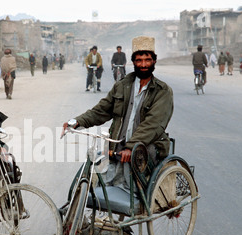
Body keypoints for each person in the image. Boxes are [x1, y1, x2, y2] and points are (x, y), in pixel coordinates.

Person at [63, 36, 173, 194]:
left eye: (147, 60)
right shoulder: (122, 85)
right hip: (119, 146)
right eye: (139, 60)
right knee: (92, 179)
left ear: (154, 61)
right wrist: (76, 121)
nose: (143, 64)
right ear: (133, 61)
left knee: (131, 188)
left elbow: (153, 124)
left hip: (146, 148)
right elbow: (101, 110)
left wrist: (131, 147)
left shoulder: (163, 91)